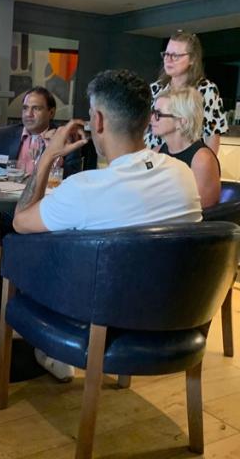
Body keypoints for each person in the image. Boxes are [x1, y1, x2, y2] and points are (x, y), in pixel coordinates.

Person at [13, 69, 202, 381]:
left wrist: (48, 156)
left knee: (21, 249)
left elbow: (21, 220)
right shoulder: (182, 173)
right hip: (175, 316)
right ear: (145, 119)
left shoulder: (84, 188)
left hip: (101, 320)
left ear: (97, 120)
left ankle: (50, 347)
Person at [0, 86, 96, 269]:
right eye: (25, 108)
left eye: (36, 108)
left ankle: (16, 280)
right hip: (5, 205)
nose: (28, 114)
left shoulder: (65, 138)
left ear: (51, 112)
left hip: (45, 207)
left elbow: (73, 177)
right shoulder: (4, 135)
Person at [145, 30, 228, 154]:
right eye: (166, 54)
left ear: (192, 59)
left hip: (187, 158)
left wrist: (209, 165)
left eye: (175, 56)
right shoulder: (155, 88)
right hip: (153, 157)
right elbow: (144, 127)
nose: (168, 59)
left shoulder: (205, 89)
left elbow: (212, 134)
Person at [151, 86, 221, 208]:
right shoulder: (156, 152)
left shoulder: (202, 160)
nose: (151, 119)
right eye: (152, 112)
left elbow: (203, 213)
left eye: (158, 114)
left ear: (182, 121)